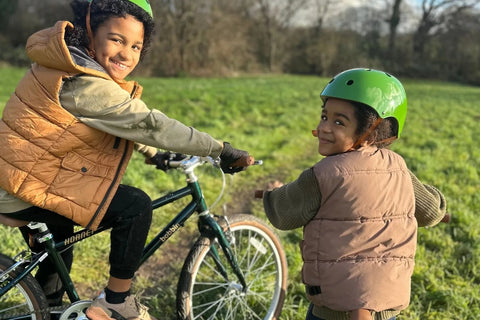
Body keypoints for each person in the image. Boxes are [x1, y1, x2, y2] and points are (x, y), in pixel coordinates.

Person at [0, 0, 251, 319]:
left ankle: (45, 309)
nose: (126, 54)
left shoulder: (68, 64)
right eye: (116, 40)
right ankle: (117, 300)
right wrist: (220, 148)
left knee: (60, 246)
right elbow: (148, 124)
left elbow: (114, 122)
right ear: (90, 31)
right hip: (24, 184)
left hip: (17, 176)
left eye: (136, 45)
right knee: (135, 206)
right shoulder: (83, 81)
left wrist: (153, 154)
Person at [261, 68, 447, 320]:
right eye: (324, 116)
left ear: (374, 130)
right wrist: (437, 199)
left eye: (339, 122)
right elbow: (432, 212)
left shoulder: (322, 175)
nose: (324, 127)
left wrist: (272, 192)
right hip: (385, 306)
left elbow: (282, 214)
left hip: (332, 309)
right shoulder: (399, 168)